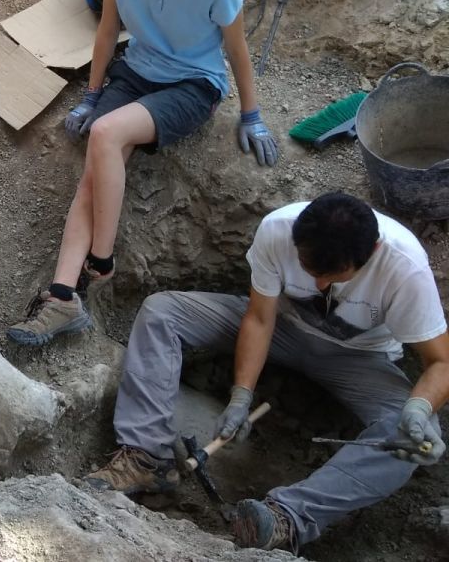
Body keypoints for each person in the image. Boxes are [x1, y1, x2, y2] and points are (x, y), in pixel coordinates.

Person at [82, 193, 448, 554]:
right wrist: (241, 395)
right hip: (281, 329)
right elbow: (259, 318)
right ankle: (146, 457)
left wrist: (418, 410)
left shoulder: (405, 268)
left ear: (374, 251)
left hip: (358, 358)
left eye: (333, 276)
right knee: (163, 313)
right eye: (310, 270)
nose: (320, 286)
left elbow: (441, 362)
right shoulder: (279, 229)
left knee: (413, 436)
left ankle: (288, 518)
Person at [7, 0, 278, 346]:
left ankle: (103, 260)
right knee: (93, 174)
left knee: (105, 134)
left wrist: (251, 114)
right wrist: (92, 94)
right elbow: (108, 28)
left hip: (193, 85)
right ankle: (62, 297)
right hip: (137, 73)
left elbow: (237, 52)